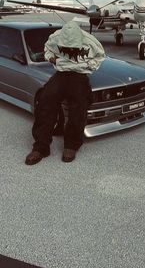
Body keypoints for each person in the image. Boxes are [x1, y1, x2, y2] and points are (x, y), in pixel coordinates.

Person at [25, 18, 105, 165]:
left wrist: (88, 65)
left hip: (79, 75)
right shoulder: (55, 37)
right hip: (61, 74)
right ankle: (41, 147)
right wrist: (53, 59)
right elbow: (47, 50)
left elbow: (100, 57)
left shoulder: (90, 41)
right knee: (45, 101)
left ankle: (71, 145)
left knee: (79, 105)